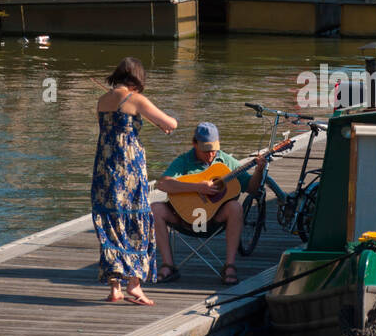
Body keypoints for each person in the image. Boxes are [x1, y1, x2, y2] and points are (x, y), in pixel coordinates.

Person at [92, 57, 177, 305]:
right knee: (136, 219)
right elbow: (171, 122)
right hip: (128, 169)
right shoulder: (135, 99)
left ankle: (114, 288)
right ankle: (135, 285)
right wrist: (165, 126)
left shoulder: (102, 101)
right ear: (137, 78)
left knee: (111, 222)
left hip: (104, 168)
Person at [151, 123, 263, 287]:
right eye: (205, 150)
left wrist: (259, 170)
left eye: (214, 149)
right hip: (184, 219)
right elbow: (163, 185)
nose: (210, 154)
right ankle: (168, 265)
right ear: (194, 144)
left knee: (235, 207)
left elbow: (252, 188)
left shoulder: (226, 161)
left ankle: (230, 266)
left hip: (213, 220)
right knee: (155, 208)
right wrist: (197, 187)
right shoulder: (184, 161)